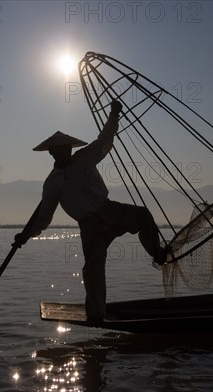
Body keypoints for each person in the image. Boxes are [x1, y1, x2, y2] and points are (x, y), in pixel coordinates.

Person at [14, 100, 169, 322]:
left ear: (70, 149)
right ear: (52, 154)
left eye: (66, 149)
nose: (63, 153)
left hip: (110, 210)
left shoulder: (84, 158)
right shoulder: (52, 184)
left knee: (143, 215)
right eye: (58, 151)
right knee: (93, 270)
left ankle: (157, 253)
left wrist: (114, 114)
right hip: (90, 226)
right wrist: (25, 235)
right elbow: (43, 218)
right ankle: (96, 314)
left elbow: (105, 140)